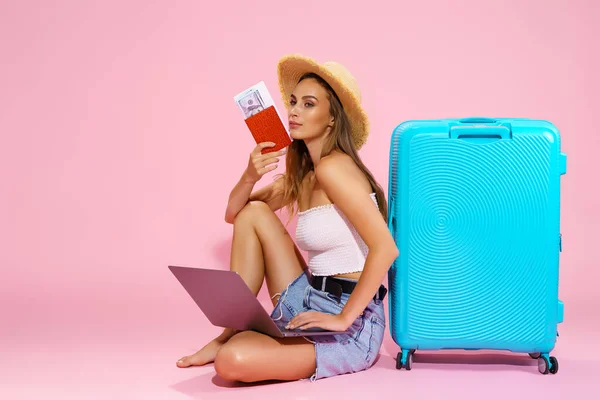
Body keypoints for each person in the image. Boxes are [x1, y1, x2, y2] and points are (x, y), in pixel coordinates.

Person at [176, 54, 399, 382]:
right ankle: (226, 335)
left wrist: (343, 319)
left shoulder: (333, 168)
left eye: (308, 104)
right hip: (309, 296)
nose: (293, 111)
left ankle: (232, 342)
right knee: (254, 212)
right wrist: (250, 175)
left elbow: (386, 248)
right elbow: (235, 214)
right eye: (293, 102)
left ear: (332, 118)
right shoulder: (305, 173)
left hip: (350, 320)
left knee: (231, 362)